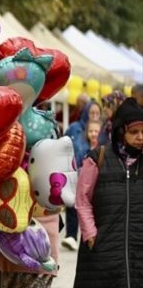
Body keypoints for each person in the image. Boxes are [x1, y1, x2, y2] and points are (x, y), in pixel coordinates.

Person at [65, 98, 143, 288]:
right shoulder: (97, 157)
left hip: (138, 248)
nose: (140, 137)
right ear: (121, 131)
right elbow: (82, 200)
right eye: (135, 132)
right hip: (101, 246)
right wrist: (89, 233)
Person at [63, 99, 103, 250]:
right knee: (72, 204)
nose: (93, 115)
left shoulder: (102, 134)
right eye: (91, 112)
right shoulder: (75, 128)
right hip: (74, 173)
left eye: (97, 113)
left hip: (92, 178)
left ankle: (87, 235)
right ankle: (71, 236)